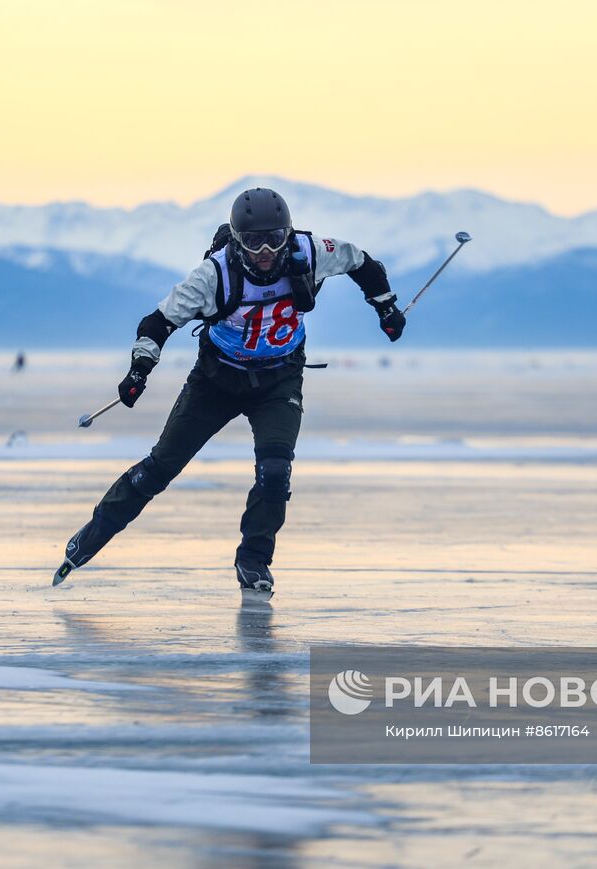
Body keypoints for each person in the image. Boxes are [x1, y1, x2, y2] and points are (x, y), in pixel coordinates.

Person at [52, 187, 406, 595]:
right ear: (237, 239)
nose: (267, 251)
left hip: (279, 379)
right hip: (216, 383)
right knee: (160, 468)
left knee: (275, 472)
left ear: (289, 233)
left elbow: (362, 263)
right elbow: (158, 323)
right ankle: (90, 538)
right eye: (254, 241)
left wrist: (386, 307)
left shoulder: (310, 253)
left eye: (276, 238)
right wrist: (139, 370)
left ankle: (254, 560)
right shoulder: (214, 275)